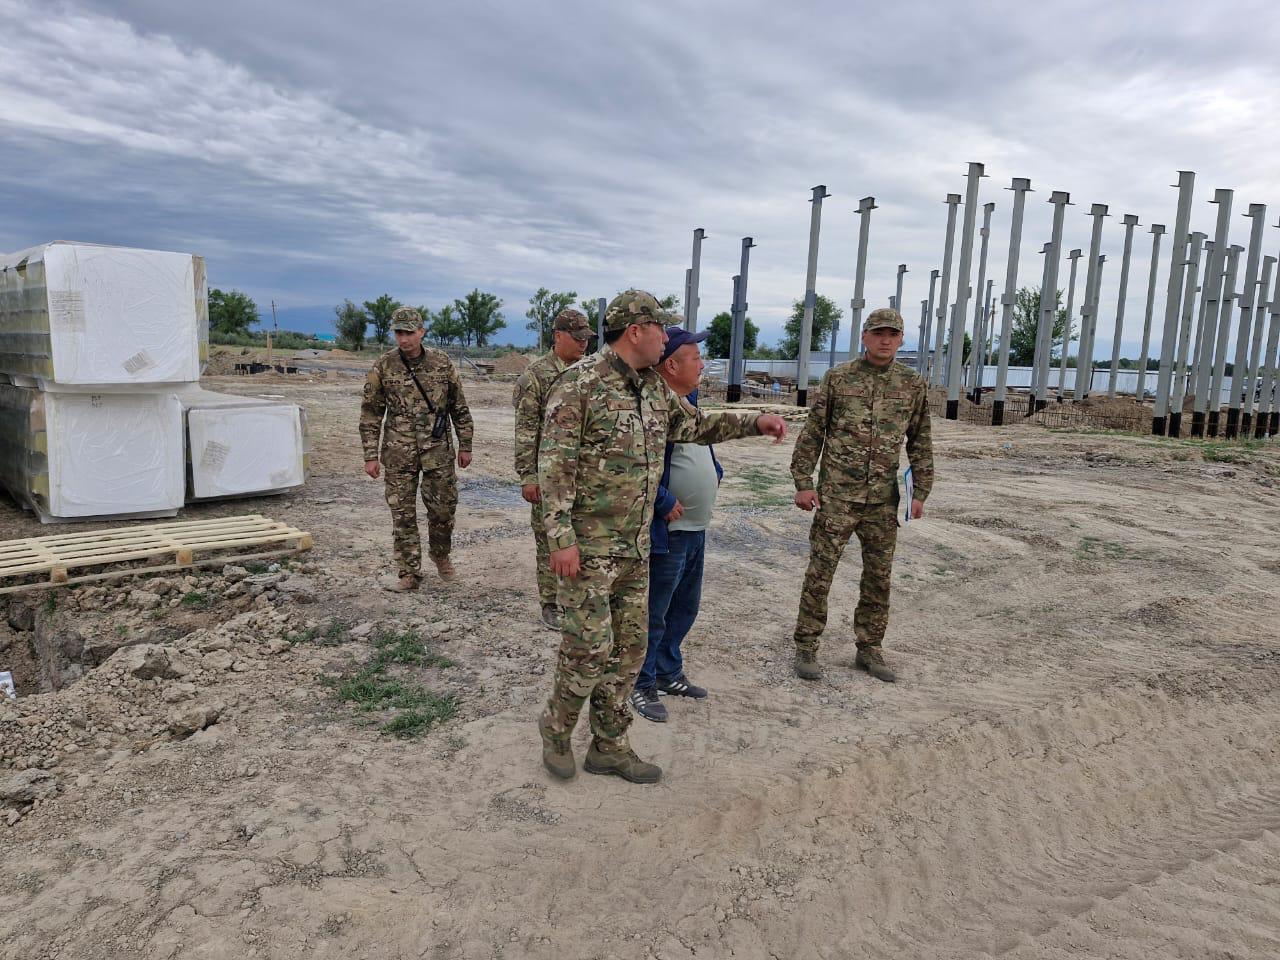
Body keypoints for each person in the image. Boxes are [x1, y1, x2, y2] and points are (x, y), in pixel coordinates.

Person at [537, 290, 787, 784]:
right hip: (587, 547)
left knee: (630, 650)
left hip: (635, 546)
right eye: (660, 328)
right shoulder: (578, 386)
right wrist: (560, 538)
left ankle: (608, 745)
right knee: (588, 648)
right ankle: (556, 729)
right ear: (636, 331)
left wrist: (756, 422)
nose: (666, 338)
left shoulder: (653, 388)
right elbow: (554, 468)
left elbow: (697, 425)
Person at [789, 306, 933, 683]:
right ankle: (806, 645)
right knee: (821, 573)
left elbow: (920, 440)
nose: (885, 340)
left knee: (878, 578)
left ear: (902, 340)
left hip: (882, 500)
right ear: (865, 337)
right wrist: (803, 481)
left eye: (893, 334)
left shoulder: (912, 384)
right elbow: (813, 432)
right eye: (878, 333)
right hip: (837, 496)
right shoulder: (838, 379)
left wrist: (922, 491)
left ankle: (869, 649)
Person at [629, 324, 719, 723]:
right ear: (670, 365)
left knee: (685, 607)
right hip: (668, 532)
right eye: (695, 357)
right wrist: (663, 499)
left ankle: (668, 671)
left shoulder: (688, 399)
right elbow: (635, 462)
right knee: (654, 611)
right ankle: (641, 683)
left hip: (696, 527)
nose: (702, 364)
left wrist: (713, 470)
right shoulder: (651, 405)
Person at [360, 306, 473, 592]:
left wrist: (466, 445)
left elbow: (459, 407)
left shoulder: (442, 363)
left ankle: (440, 553)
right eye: (399, 332)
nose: (404, 339)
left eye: (409, 332)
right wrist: (370, 455)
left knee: (443, 511)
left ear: (421, 332)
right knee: (402, 514)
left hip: (437, 451)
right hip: (399, 454)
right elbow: (371, 413)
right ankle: (409, 573)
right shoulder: (384, 366)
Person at [512, 308, 592, 629]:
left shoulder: (590, 372)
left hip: (585, 473)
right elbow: (525, 431)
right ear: (558, 336)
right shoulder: (536, 377)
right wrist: (528, 476)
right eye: (577, 338)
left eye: (587, 338)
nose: (584, 345)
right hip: (548, 476)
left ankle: (581, 598)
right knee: (549, 539)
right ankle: (550, 602)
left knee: (583, 536)